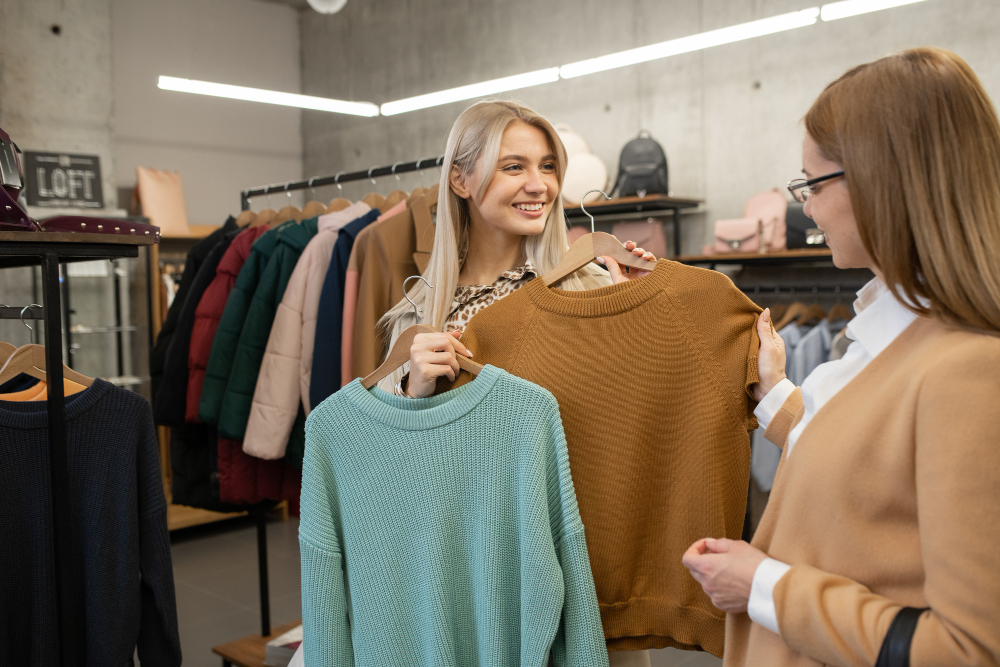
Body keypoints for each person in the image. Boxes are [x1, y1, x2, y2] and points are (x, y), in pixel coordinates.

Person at [682, 47, 1000, 666]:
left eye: (814, 183)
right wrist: (772, 391)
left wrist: (764, 586)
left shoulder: (966, 371)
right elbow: (877, 470)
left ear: (882, 180)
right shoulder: (895, 338)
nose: (807, 205)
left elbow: (969, 650)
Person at [379, 99, 655, 398]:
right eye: (514, 167)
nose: (539, 185)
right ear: (460, 180)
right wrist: (409, 392)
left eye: (547, 166)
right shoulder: (416, 314)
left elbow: (639, 407)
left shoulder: (591, 289)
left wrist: (639, 317)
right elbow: (386, 438)